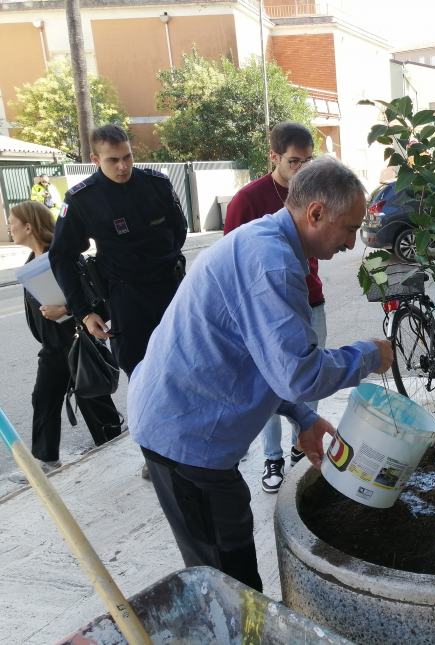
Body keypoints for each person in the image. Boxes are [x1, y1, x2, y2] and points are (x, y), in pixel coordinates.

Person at [127, 157, 394, 591]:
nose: (351, 244)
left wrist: (303, 418)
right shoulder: (271, 263)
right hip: (185, 438)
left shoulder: (270, 243)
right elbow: (299, 375)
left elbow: (264, 360)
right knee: (228, 586)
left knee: (226, 568)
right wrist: (369, 355)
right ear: (315, 213)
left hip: (183, 419)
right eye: (349, 228)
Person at [49, 124, 187, 480]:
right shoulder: (83, 198)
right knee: (141, 377)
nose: (123, 166)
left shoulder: (156, 183)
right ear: (95, 159)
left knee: (187, 368)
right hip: (127, 298)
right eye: (113, 161)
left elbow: (179, 227)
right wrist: (84, 311)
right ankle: (155, 455)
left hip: (171, 289)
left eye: (127, 157)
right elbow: (61, 256)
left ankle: (190, 444)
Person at [224, 122, 320, 493]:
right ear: (274, 157)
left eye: (308, 161)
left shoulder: (315, 192)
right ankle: (273, 457)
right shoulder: (248, 200)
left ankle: (302, 449)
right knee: (270, 385)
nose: (302, 169)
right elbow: (233, 259)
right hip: (264, 312)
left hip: (311, 298)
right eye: (295, 161)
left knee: (306, 381)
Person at [7, 201, 122, 483]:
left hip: (78, 342)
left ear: (28, 226)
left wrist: (66, 310)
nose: (9, 227)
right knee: (43, 399)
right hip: (52, 347)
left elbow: (96, 302)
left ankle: (116, 449)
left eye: (12, 221)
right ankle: (46, 460)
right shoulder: (30, 263)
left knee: (93, 397)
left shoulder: (63, 257)